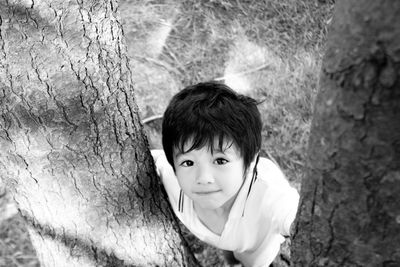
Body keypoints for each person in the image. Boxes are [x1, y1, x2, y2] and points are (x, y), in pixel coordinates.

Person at [151, 82, 299, 267]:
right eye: (188, 162)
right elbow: (153, 159)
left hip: (254, 244)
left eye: (220, 161)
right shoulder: (169, 175)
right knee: (229, 254)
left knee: (248, 262)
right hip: (229, 235)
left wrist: (295, 221)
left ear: (250, 161)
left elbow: (293, 211)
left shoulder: (267, 193)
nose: (203, 178)